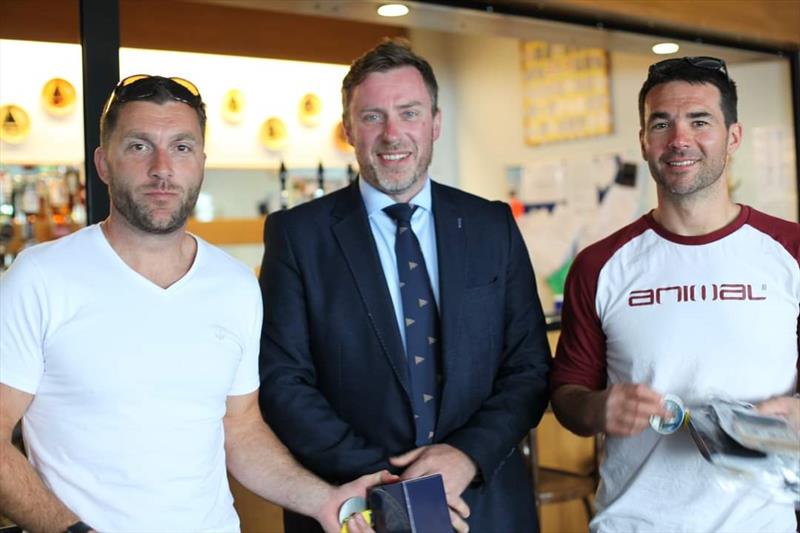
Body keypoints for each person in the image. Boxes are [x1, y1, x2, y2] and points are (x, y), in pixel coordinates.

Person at [0, 75, 387, 533]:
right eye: (140, 146)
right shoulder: (40, 277)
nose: (162, 167)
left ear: (201, 162)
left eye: (182, 147)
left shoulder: (236, 285)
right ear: (103, 164)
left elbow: (240, 429)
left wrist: (324, 499)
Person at [258, 39, 551, 533]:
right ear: (348, 129)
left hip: (483, 504)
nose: (392, 134)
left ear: (435, 123)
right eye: (372, 116)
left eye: (409, 112)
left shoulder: (491, 225)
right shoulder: (297, 236)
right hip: (354, 507)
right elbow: (283, 382)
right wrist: (390, 483)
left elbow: (529, 368)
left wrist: (464, 457)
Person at [550, 56, 799, 532]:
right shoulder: (599, 265)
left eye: (699, 121)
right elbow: (566, 396)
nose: (679, 139)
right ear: (644, 142)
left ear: (733, 137)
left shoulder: (791, 251)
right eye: (661, 123)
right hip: (635, 523)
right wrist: (600, 408)